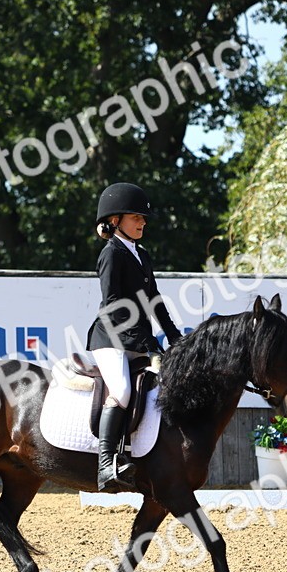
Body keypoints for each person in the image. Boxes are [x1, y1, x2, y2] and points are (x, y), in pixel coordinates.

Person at [85, 182, 183, 491]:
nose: (142, 223)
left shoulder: (141, 254)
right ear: (115, 221)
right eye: (135, 218)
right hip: (111, 338)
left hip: (137, 337)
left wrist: (173, 336)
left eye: (143, 218)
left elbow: (155, 300)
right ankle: (105, 465)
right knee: (124, 390)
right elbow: (112, 305)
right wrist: (144, 341)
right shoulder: (111, 254)